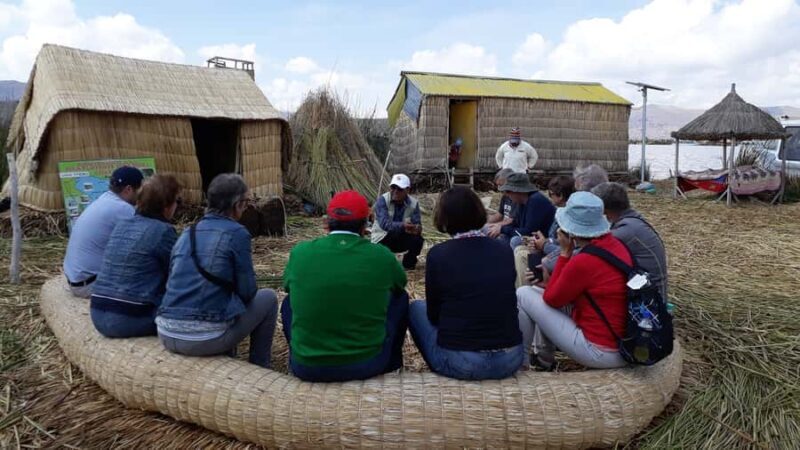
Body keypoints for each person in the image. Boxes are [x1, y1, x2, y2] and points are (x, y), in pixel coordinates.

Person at [282, 190, 409, 382]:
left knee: (287, 302)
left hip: (307, 367)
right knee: (401, 298)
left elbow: (288, 288)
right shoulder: (381, 256)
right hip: (368, 364)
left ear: (326, 222)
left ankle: (299, 352)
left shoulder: (300, 252)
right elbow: (400, 284)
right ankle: (393, 363)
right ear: (365, 226)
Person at [156, 174, 278, 369]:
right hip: (203, 338)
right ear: (238, 204)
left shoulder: (188, 232)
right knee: (269, 298)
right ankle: (260, 367)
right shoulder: (237, 233)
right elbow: (248, 292)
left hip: (166, 331)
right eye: (246, 203)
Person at [410, 187, 523, 380]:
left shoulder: (438, 255)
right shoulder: (504, 250)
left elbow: (434, 315)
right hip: (511, 358)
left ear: (444, 218)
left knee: (415, 308)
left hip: (463, 361)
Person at [517, 192, 630, 370]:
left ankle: (520, 363)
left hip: (600, 351)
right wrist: (547, 284)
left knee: (523, 294)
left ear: (569, 230)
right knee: (537, 292)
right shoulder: (616, 246)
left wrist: (564, 253)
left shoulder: (583, 260)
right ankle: (541, 360)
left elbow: (552, 299)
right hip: (623, 344)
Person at [90, 175, 181, 338]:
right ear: (167, 206)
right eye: (176, 202)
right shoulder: (163, 231)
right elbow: (178, 273)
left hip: (97, 312)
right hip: (130, 319)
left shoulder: (122, 225)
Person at [63, 166, 143, 298]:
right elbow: (145, 241)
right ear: (129, 189)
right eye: (140, 190)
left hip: (77, 280)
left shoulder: (105, 199)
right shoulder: (122, 208)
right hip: (90, 285)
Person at [592, 182, 668, 300]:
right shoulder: (632, 221)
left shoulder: (627, 231)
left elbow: (589, 251)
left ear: (604, 209)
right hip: (647, 291)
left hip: (649, 304)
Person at [515, 175, 575, 287]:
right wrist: (543, 241)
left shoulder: (568, 217)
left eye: (550, 194)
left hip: (555, 257)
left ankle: (524, 292)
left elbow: (567, 249)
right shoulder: (559, 212)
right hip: (550, 249)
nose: (549, 198)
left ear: (560, 195)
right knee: (519, 247)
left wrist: (544, 245)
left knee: (521, 252)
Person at [371, 173, 424, 270]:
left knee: (418, 240)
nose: (395, 191)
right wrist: (403, 226)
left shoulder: (413, 203)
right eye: (393, 188)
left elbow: (417, 223)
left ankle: (408, 265)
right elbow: (384, 224)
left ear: (407, 190)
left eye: (399, 189)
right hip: (383, 237)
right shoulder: (382, 200)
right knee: (381, 264)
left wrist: (417, 229)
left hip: (401, 238)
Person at [498, 172, 555, 249]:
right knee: (503, 238)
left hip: (545, 241)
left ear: (518, 191)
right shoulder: (522, 202)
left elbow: (528, 232)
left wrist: (503, 229)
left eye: (508, 191)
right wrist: (499, 227)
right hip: (533, 238)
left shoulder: (535, 201)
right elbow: (516, 223)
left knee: (515, 241)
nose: (506, 195)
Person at [485, 168, 516, 241]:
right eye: (498, 186)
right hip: (502, 227)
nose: (499, 189)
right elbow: (499, 215)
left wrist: (497, 226)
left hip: (510, 231)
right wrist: (483, 221)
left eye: (501, 185)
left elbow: (513, 221)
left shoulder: (517, 198)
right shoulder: (505, 197)